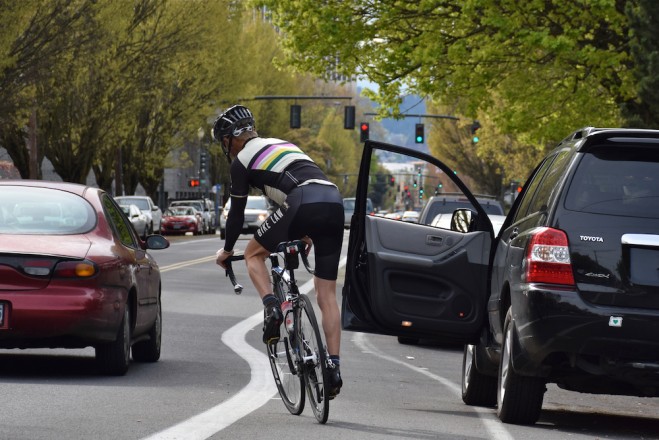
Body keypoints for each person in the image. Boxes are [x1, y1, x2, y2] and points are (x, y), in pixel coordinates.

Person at [213, 104, 345, 398]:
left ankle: (272, 306)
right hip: (333, 200)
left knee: (253, 254)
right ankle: (333, 368)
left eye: (224, 141)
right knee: (327, 296)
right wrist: (304, 231)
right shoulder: (284, 144)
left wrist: (226, 250)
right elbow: (302, 185)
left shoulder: (241, 161)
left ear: (230, 138)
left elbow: (236, 214)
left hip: (301, 200)